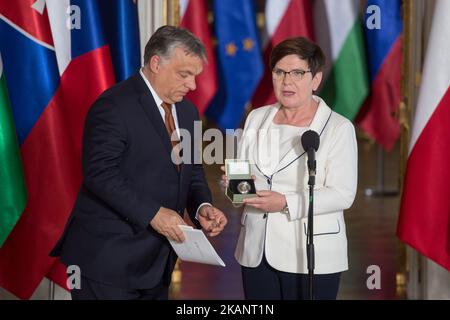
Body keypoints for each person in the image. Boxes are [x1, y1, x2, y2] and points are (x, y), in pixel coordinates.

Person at [51, 25, 227, 300]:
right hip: (108, 261)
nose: (192, 85)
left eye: (195, 76)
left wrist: (203, 205)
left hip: (158, 264)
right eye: (185, 74)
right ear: (156, 63)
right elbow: (100, 173)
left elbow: (191, 171)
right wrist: (155, 214)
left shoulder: (188, 110)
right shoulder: (114, 105)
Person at [222, 37, 357, 300]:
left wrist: (285, 202)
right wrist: (236, 186)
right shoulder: (256, 117)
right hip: (255, 250)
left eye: (297, 73)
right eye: (280, 72)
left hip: (309, 253)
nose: (287, 81)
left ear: (316, 79)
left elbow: (343, 194)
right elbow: (243, 179)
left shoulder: (338, 128)